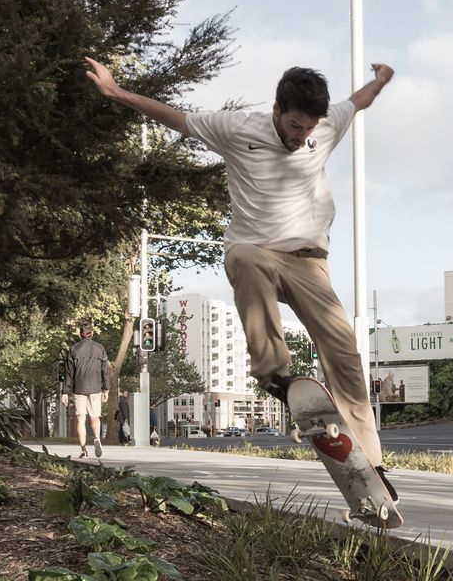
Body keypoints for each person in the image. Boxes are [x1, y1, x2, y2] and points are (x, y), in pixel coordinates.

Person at [84, 56, 398, 501]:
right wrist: (117, 93)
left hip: (308, 261)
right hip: (253, 250)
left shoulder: (327, 124)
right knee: (248, 259)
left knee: (344, 353)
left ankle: (373, 465)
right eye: (293, 125)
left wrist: (381, 79)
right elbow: (176, 118)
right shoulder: (236, 128)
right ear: (277, 109)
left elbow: (359, 100)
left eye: (308, 128)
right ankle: (273, 374)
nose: (300, 136)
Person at [59, 321, 113, 458]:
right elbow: (105, 371)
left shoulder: (73, 349)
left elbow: (69, 373)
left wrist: (65, 392)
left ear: (80, 334)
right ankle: (97, 438)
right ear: (92, 333)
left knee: (81, 418)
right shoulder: (100, 348)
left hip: (79, 388)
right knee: (95, 416)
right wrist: (106, 389)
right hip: (95, 387)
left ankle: (83, 450)